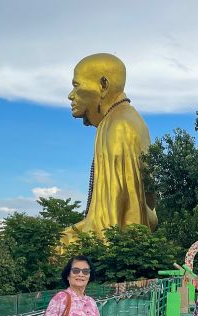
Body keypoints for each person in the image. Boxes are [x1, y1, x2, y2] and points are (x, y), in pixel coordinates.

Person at [61, 53, 158, 249]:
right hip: (132, 239)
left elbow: (107, 225)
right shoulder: (124, 118)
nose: (71, 95)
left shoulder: (118, 127)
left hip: (119, 246)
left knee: (53, 245)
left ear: (103, 85)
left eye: (77, 86)